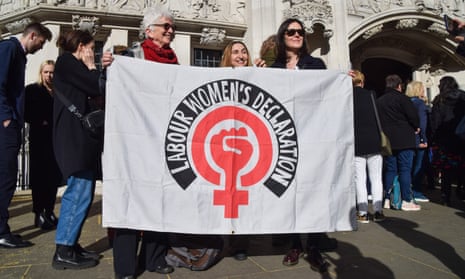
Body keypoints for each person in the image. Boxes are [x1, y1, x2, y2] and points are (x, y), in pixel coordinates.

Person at [103, 5, 178, 278]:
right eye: (165, 26)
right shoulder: (132, 55)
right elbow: (108, 88)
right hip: (133, 142)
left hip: (164, 141)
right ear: (149, 30)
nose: (170, 30)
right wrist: (107, 68)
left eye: (171, 27)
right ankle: (125, 267)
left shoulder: (174, 59)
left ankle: (153, 258)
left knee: (161, 198)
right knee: (129, 200)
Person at [270, 18, 330, 273]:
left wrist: (343, 81)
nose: (297, 35)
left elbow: (327, 96)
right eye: (291, 31)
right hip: (283, 140)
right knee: (289, 192)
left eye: (300, 32)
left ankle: (314, 246)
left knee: (314, 191)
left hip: (312, 136)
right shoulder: (273, 68)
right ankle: (294, 243)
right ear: (282, 36)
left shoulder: (316, 65)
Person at [51, 29, 104, 269]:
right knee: (78, 192)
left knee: (84, 191)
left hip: (81, 138)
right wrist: (93, 67)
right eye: (92, 48)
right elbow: (95, 86)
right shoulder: (66, 62)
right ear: (81, 46)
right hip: (73, 138)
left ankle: (71, 245)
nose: (93, 53)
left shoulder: (72, 66)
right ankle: (63, 249)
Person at [0, 22, 52, 249]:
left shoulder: (18, 54)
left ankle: (3, 228)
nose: (40, 48)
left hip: (10, 125)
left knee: (8, 178)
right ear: (32, 35)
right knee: (7, 178)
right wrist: (6, 117)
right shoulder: (9, 49)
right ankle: (1, 232)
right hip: (5, 126)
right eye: (40, 43)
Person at [25, 60, 62, 230]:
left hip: (55, 140)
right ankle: (38, 212)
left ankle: (49, 210)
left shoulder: (58, 92)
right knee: (40, 177)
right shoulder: (33, 90)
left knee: (53, 177)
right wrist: (42, 121)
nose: (49, 75)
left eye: (52, 72)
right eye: (46, 72)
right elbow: (26, 112)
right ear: (41, 73)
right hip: (40, 140)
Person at [377, 74, 421, 211]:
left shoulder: (380, 101)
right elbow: (413, 116)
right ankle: (406, 199)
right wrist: (416, 127)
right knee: (405, 169)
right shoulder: (403, 99)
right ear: (399, 86)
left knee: (390, 169)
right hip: (405, 138)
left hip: (388, 140)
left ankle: (387, 199)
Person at [352, 70, 385, 223]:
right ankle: (378, 211)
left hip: (356, 143)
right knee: (376, 178)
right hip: (374, 141)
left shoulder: (346, 98)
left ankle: (363, 212)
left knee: (360, 179)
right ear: (362, 82)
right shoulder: (371, 95)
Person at [430, 76, 465, 206]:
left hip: (445, 140)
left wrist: (434, 138)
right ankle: (461, 188)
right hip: (462, 137)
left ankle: (445, 195)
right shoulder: (463, 97)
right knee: (462, 165)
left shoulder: (440, 100)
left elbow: (435, 122)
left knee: (446, 169)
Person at [405, 81, 429, 202]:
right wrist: (423, 139)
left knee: (407, 166)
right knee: (418, 166)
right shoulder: (420, 104)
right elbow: (422, 124)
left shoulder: (405, 102)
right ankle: (416, 191)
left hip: (406, 139)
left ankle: (406, 190)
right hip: (418, 139)